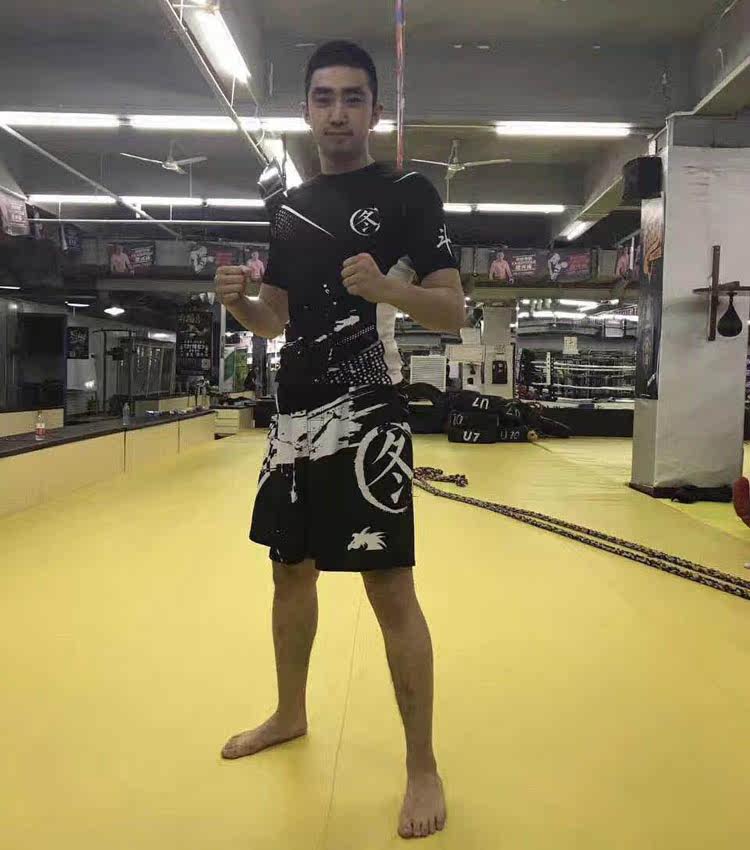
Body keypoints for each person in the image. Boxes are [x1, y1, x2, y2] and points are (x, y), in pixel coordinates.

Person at [214, 40, 463, 840]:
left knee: (389, 586)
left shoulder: (408, 194)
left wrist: (388, 288)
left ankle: (421, 765)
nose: (337, 113)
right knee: (289, 573)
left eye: (353, 98)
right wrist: (240, 303)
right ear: (306, 111)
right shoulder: (288, 208)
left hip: (369, 412)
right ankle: (290, 713)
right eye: (324, 98)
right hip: (293, 415)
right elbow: (276, 322)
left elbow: (453, 310)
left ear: (375, 112)